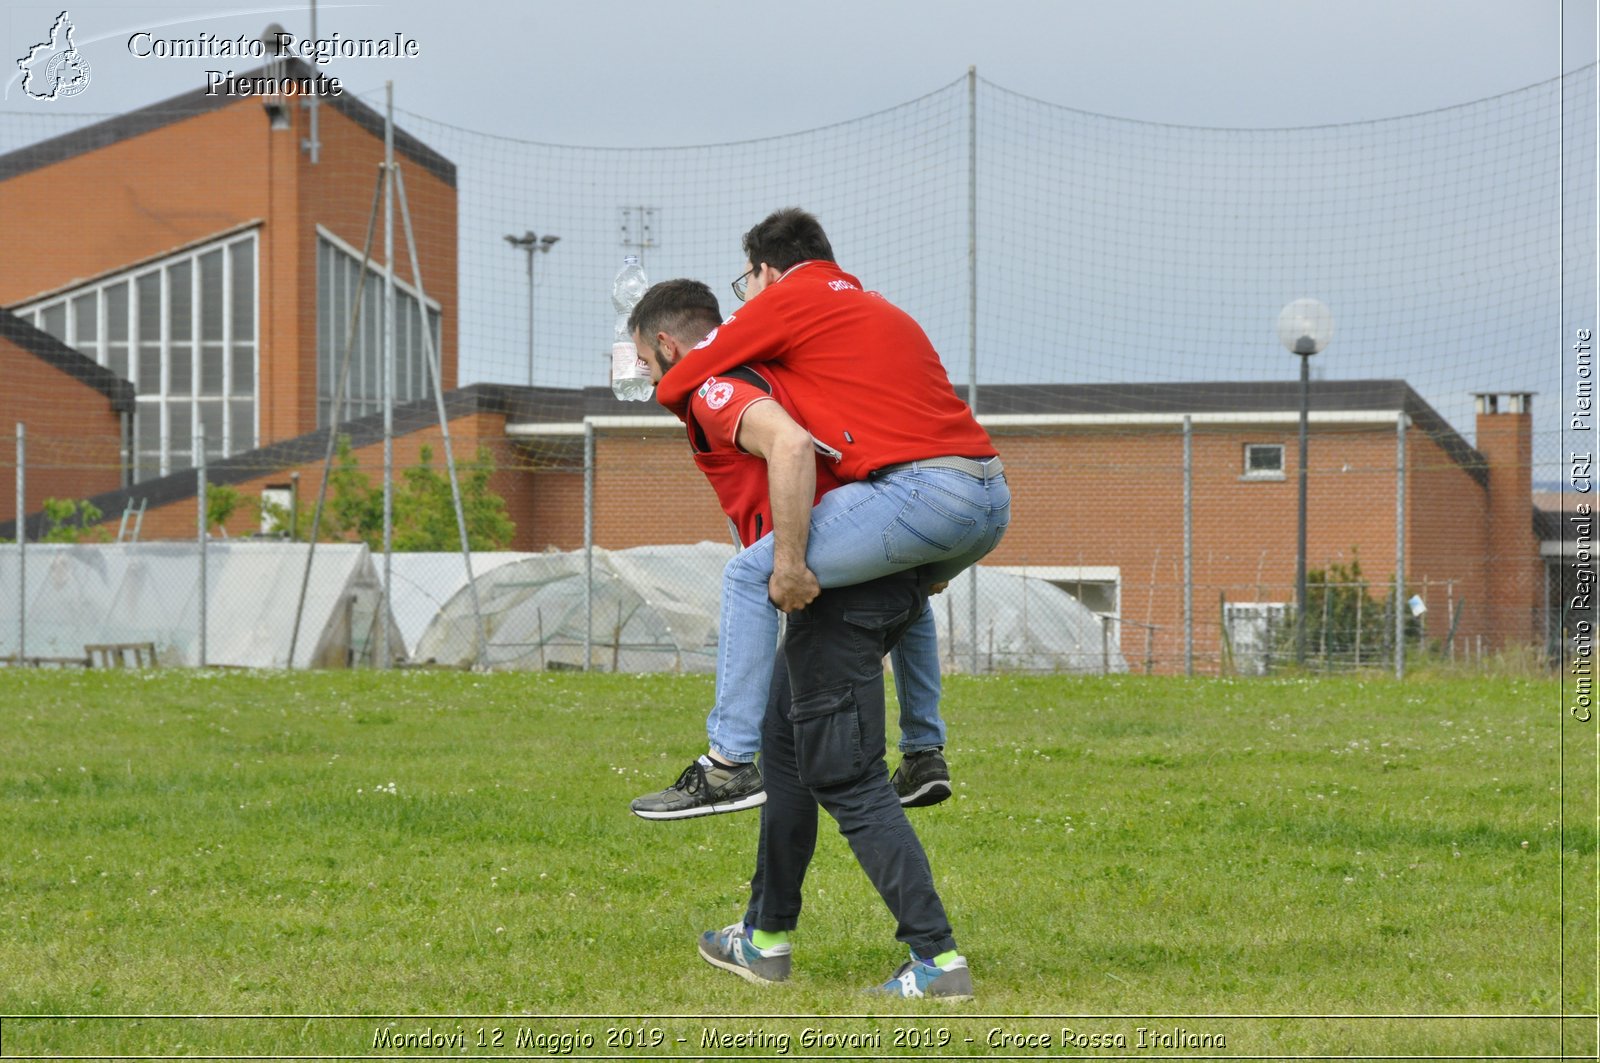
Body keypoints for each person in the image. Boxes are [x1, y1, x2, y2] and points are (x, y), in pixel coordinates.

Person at [637, 208, 1010, 818]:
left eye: (746, 283)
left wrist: (663, 385)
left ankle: (729, 763)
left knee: (748, 574)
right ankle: (923, 751)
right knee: (902, 583)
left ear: (765, 270)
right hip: (989, 498)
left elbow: (690, 372)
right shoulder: (878, 305)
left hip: (923, 491)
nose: (747, 299)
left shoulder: (787, 298)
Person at [698, 567, 974, 1000]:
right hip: (849, 602)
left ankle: (938, 961)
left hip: (837, 610)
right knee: (784, 748)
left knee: (855, 785)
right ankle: (764, 938)